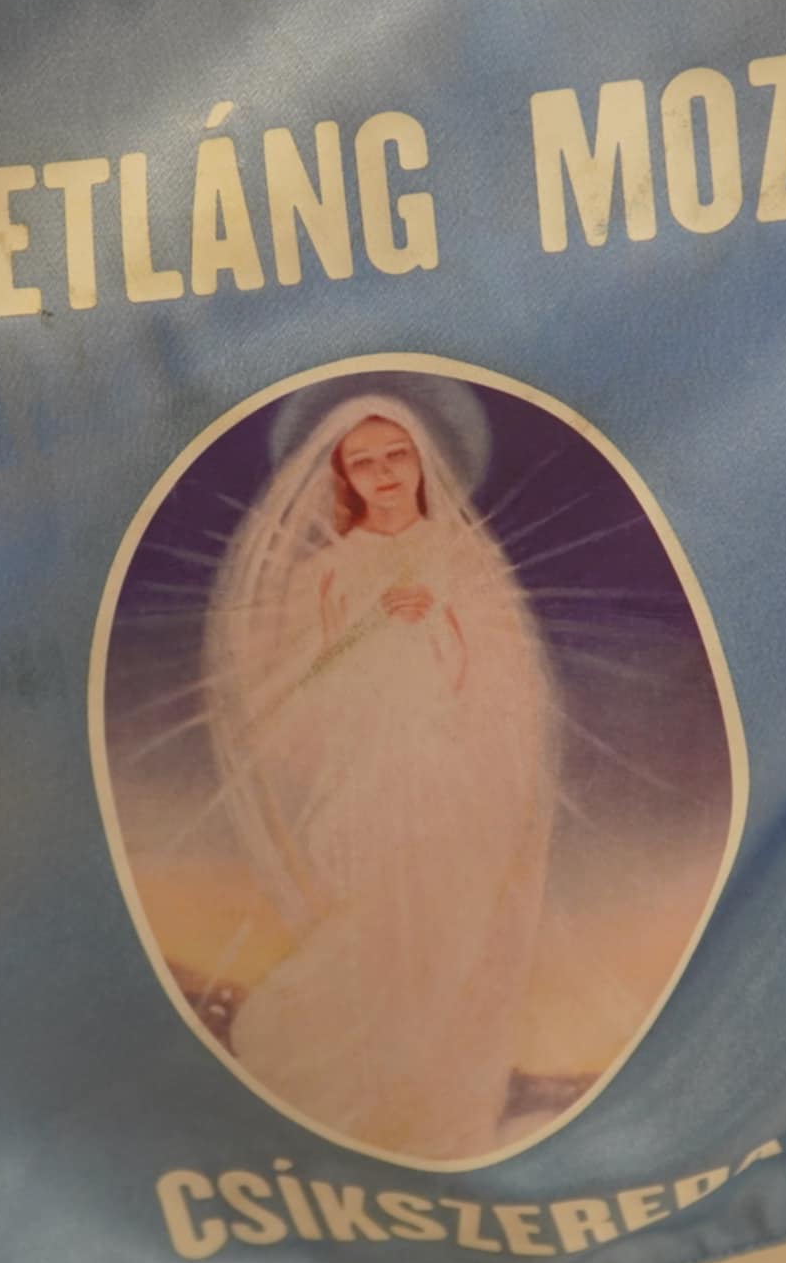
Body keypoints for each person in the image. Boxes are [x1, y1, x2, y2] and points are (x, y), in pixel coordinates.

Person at [205, 392, 559, 1161]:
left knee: (452, 941)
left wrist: (441, 619)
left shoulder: (468, 563)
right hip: (366, 786)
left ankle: (431, 1113)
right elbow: (294, 690)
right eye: (362, 462)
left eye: (396, 454)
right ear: (343, 477)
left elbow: (508, 687)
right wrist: (373, 628)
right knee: (379, 936)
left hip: (460, 786)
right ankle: (347, 1099)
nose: (384, 473)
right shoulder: (324, 573)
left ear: (423, 460)